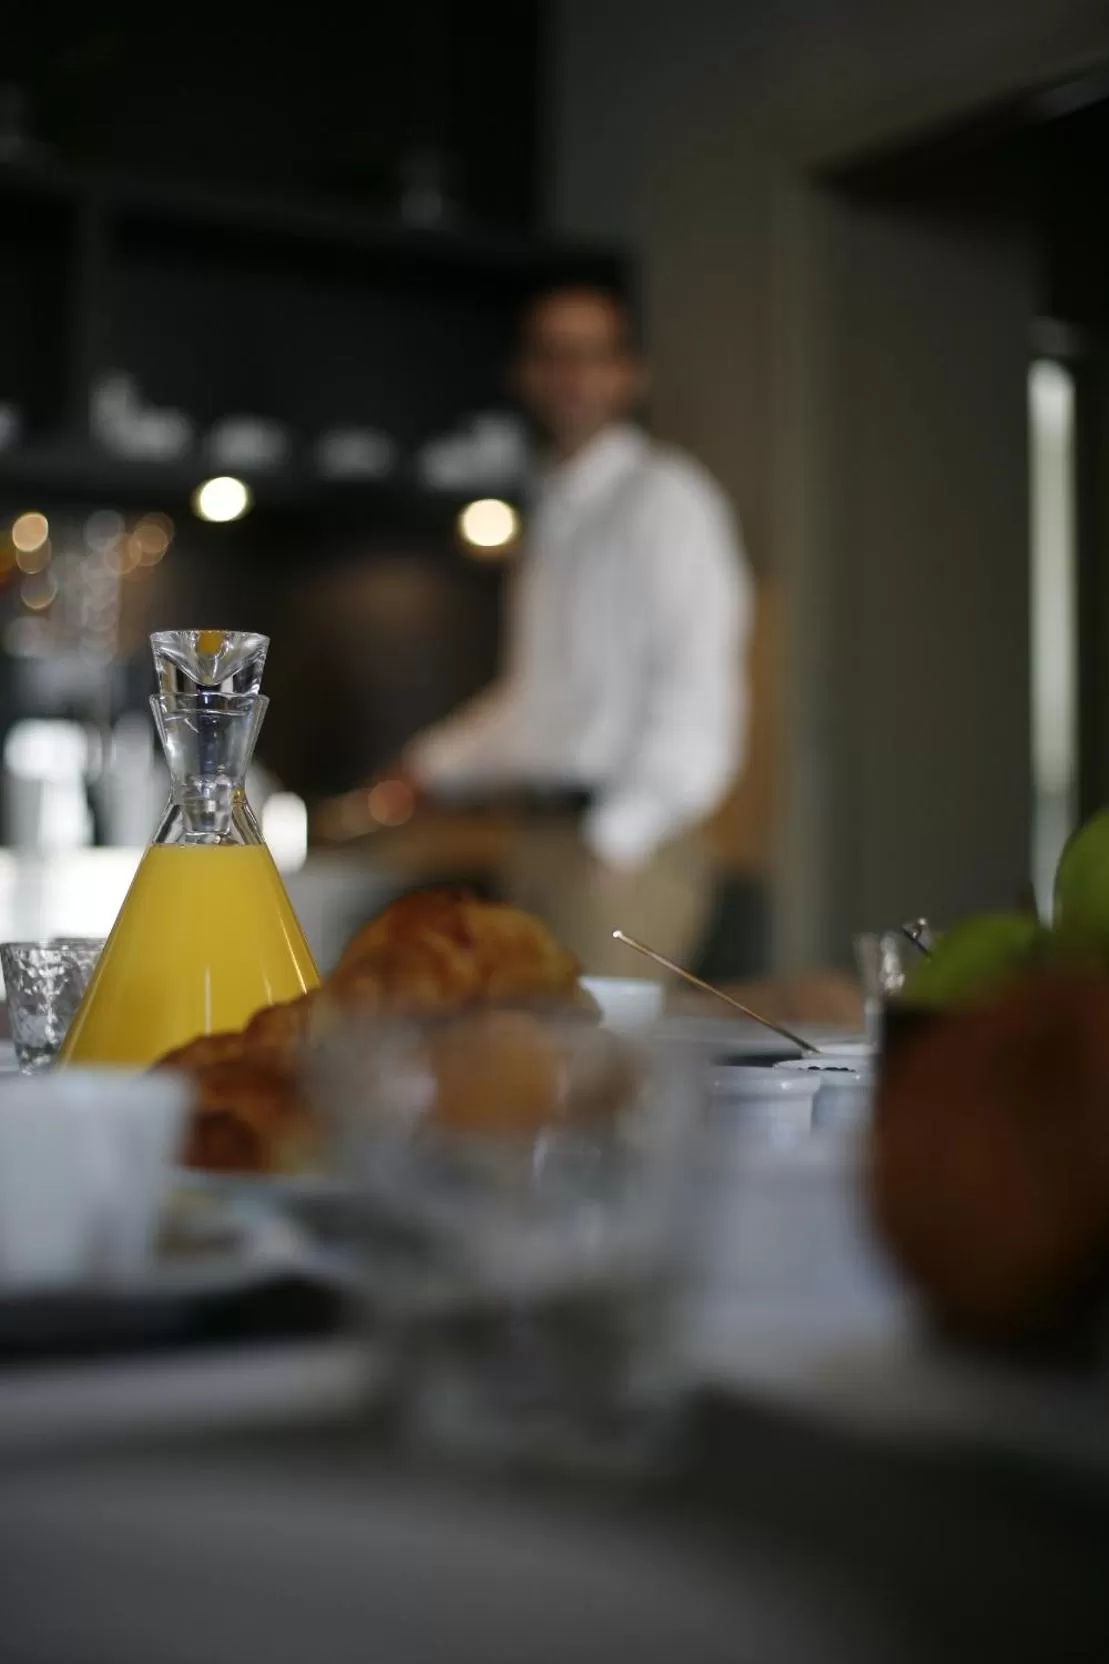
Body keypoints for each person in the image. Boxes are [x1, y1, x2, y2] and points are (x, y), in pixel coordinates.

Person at [401, 283, 753, 975]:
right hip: (537, 840)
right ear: (524, 373)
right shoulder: (553, 516)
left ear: (630, 374)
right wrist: (428, 766)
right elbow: (536, 696)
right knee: (526, 1070)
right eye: (552, 354)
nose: (571, 374)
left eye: (592, 354)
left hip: (622, 852)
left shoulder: (667, 501)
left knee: (590, 1072)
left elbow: (699, 692)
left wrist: (619, 837)